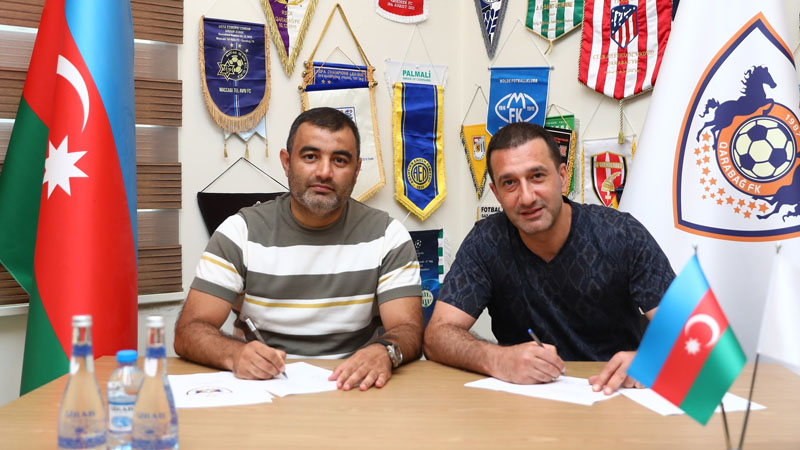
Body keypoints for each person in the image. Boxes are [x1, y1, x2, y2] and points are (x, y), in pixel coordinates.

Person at [175, 107, 423, 391]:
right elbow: (189, 330)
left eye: (340, 160)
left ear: (356, 171)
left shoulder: (388, 236)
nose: (324, 172)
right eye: (310, 157)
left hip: (354, 388)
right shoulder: (240, 232)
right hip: (263, 389)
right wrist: (235, 354)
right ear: (286, 162)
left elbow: (409, 330)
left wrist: (385, 352)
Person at [423, 122, 675, 394]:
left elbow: (693, 331)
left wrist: (651, 359)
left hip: (615, 394)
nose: (526, 197)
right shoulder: (486, 241)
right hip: (524, 402)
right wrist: (497, 359)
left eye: (537, 176)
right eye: (510, 183)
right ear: (496, 194)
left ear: (562, 177)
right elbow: (437, 336)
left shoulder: (621, 233)